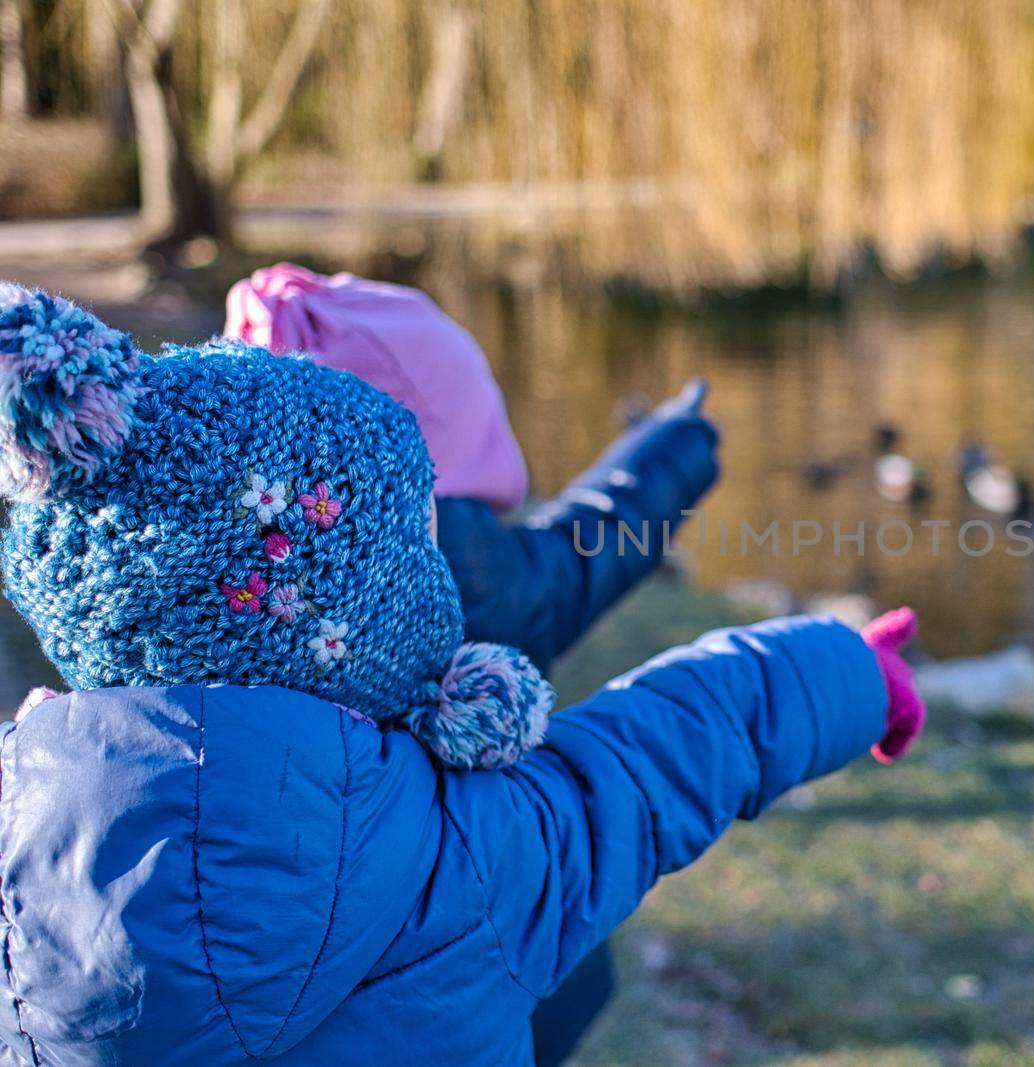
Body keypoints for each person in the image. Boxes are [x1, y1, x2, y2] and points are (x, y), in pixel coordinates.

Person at [0, 287, 926, 1065]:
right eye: (415, 547)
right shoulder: (467, 853)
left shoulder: (23, 871)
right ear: (353, 621)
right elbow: (671, 746)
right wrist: (854, 667)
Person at [225, 264, 720, 1059]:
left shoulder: (233, 572)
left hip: (271, 971)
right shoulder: (469, 562)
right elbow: (585, 548)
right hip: (489, 951)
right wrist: (676, 446)